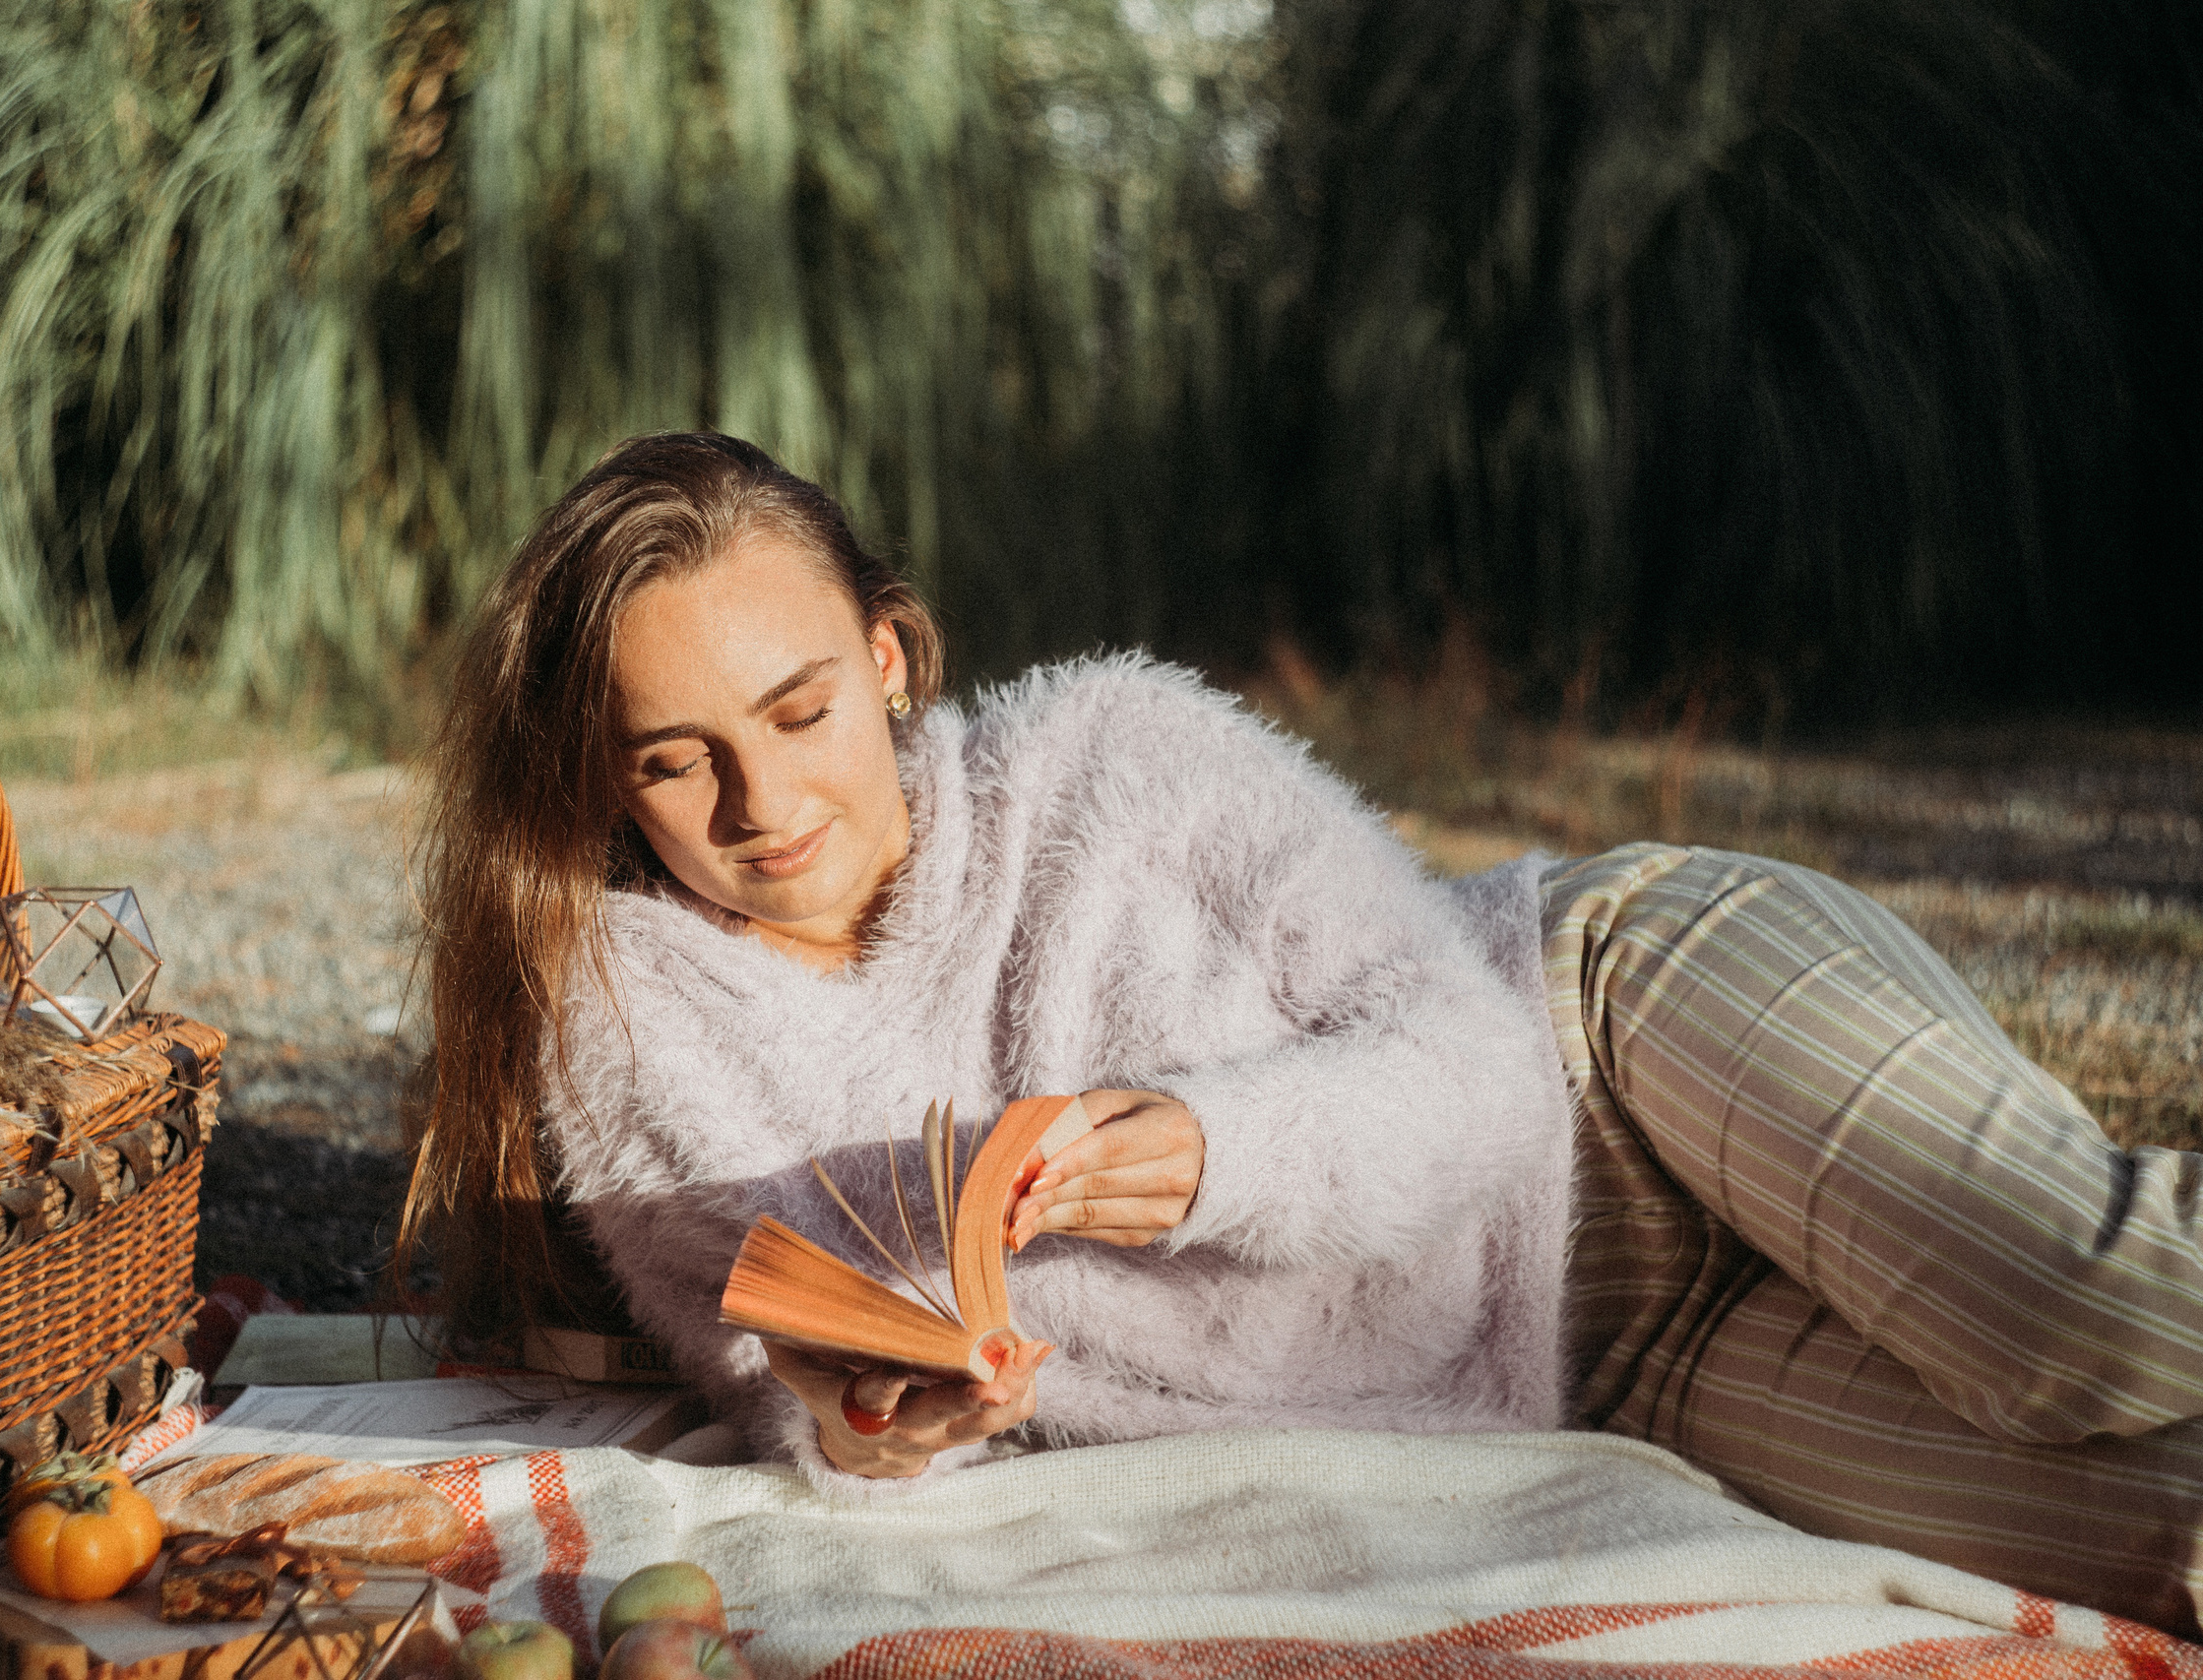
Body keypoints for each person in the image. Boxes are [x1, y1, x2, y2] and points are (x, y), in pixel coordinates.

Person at [403, 431, 2203, 1634]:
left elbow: (1478, 1067)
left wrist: (1216, 1150)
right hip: (1591, 1365)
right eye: (673, 757)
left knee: (2098, 1314)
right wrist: (882, 1417)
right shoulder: (631, 1027)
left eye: (800, 711)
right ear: (604, 777)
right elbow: (789, 1398)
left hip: (1609, 1045)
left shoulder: (1110, 755)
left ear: (891, 657)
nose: (765, 802)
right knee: (2162, 1529)